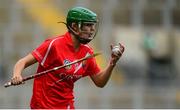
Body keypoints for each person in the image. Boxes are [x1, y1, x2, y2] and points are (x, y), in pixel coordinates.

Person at [10, 7, 125, 109]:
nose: (92, 29)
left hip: (67, 106)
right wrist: (17, 75)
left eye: (93, 25)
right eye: (88, 25)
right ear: (74, 26)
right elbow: (22, 62)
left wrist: (112, 63)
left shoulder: (87, 53)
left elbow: (100, 82)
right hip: (42, 106)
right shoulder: (54, 45)